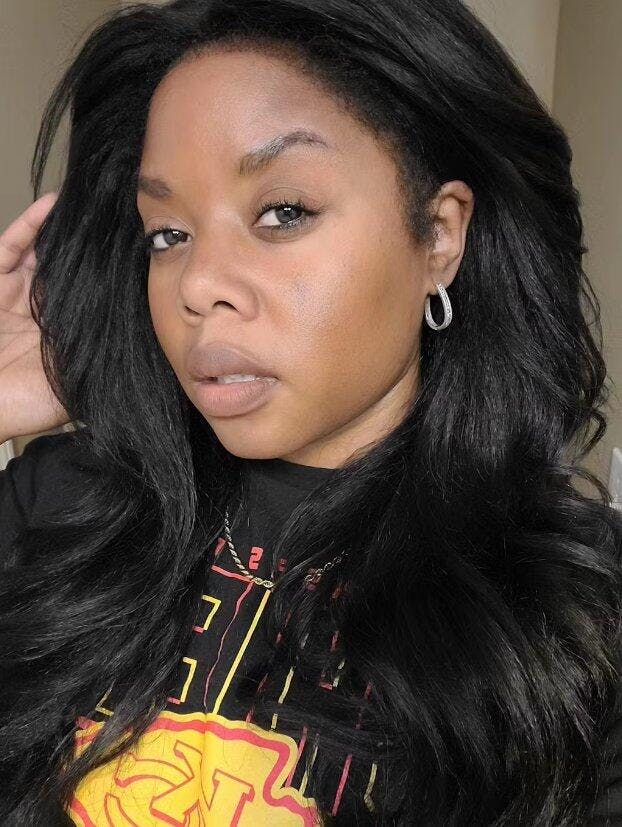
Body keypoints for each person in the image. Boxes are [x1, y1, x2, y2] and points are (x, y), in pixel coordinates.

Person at [1, 0, 621, 824]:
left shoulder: (581, 613)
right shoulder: (60, 509)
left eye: (283, 212)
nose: (197, 284)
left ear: (439, 236)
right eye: (167, 234)